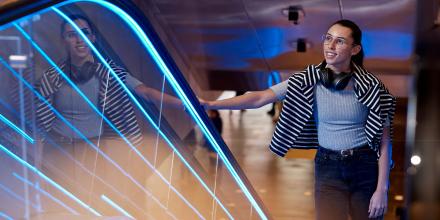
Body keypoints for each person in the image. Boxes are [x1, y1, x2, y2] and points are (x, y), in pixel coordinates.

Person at [201, 19, 396, 220]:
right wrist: (211, 104)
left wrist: (382, 189)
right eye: (328, 38)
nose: (330, 45)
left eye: (340, 41)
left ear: (355, 49)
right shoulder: (308, 79)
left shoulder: (372, 88)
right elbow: (259, 98)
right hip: (327, 167)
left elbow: (384, 142)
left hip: (364, 167)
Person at [34, 14, 180, 217]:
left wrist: (187, 104)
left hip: (94, 151)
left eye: (84, 33)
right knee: (62, 208)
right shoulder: (51, 78)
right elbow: (40, 125)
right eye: (71, 35)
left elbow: (145, 92)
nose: (79, 40)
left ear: (93, 37)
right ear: (64, 41)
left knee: (92, 205)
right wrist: (36, 166)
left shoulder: (109, 73)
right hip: (58, 150)